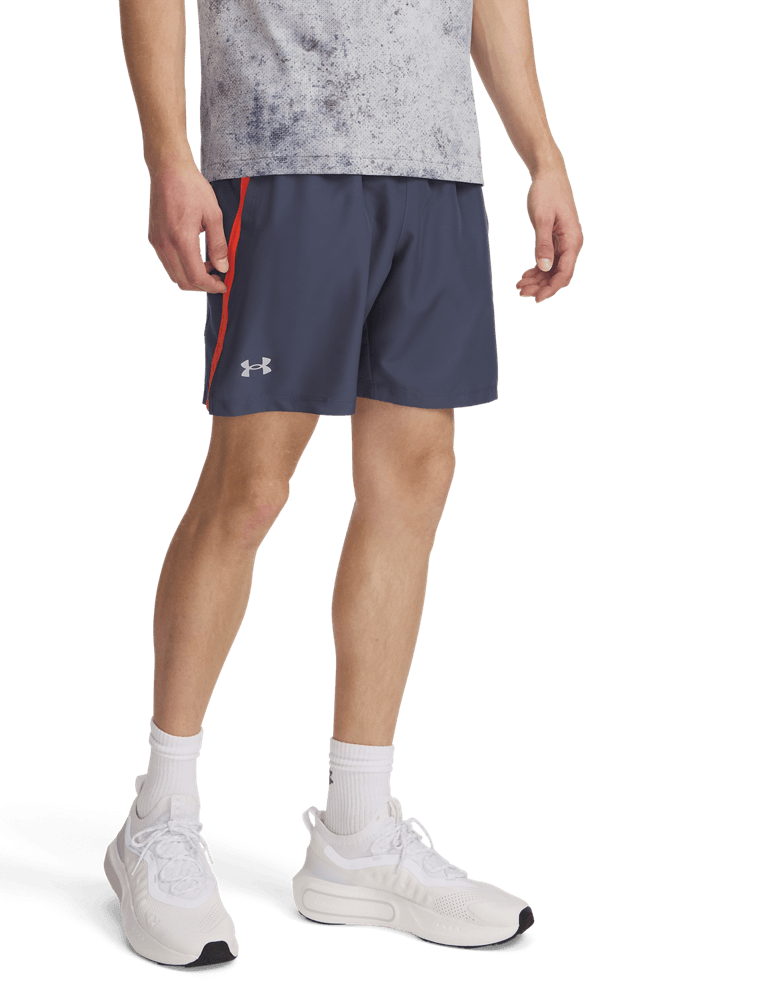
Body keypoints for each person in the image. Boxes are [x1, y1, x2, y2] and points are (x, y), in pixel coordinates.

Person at [104, 0, 583, 968]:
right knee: (251, 489)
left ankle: (357, 837)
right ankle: (159, 815)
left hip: (437, 168)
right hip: (281, 152)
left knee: (416, 480)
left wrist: (543, 153)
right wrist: (167, 154)